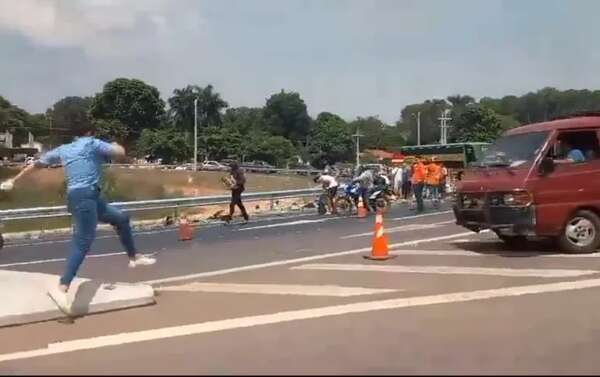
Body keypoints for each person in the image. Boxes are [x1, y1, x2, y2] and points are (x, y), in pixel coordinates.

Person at [0, 123, 156, 314]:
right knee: (83, 241)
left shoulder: (64, 149)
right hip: (85, 197)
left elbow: (36, 165)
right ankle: (62, 287)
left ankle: (134, 257)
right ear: (89, 133)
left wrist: (14, 180)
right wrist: (117, 144)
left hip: (87, 198)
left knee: (121, 218)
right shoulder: (91, 143)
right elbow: (119, 152)